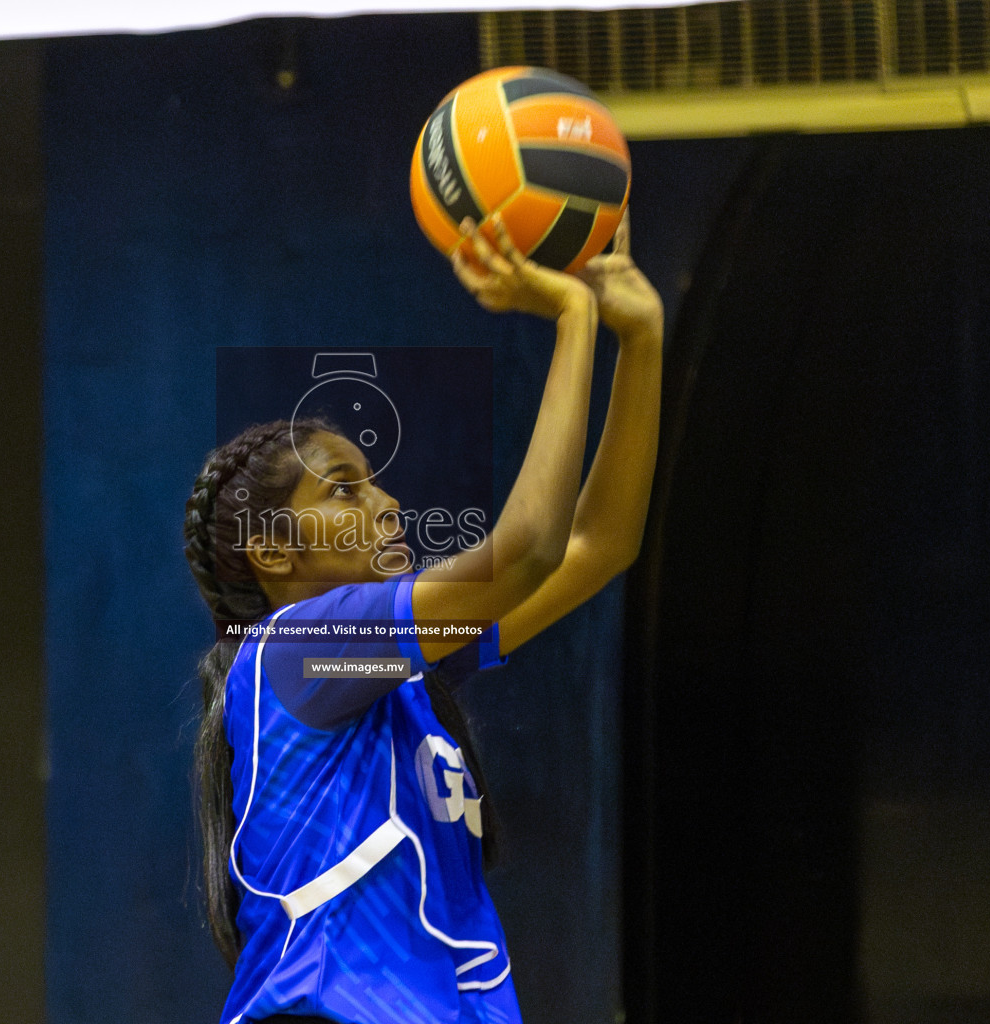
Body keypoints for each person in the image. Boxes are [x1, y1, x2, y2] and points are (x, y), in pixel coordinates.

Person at [182, 212, 663, 1024]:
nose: (386, 503)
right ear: (271, 551)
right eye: (344, 489)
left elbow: (596, 545)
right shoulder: (298, 652)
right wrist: (576, 322)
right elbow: (527, 553)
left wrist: (642, 343)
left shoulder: (385, 676)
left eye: (374, 482)